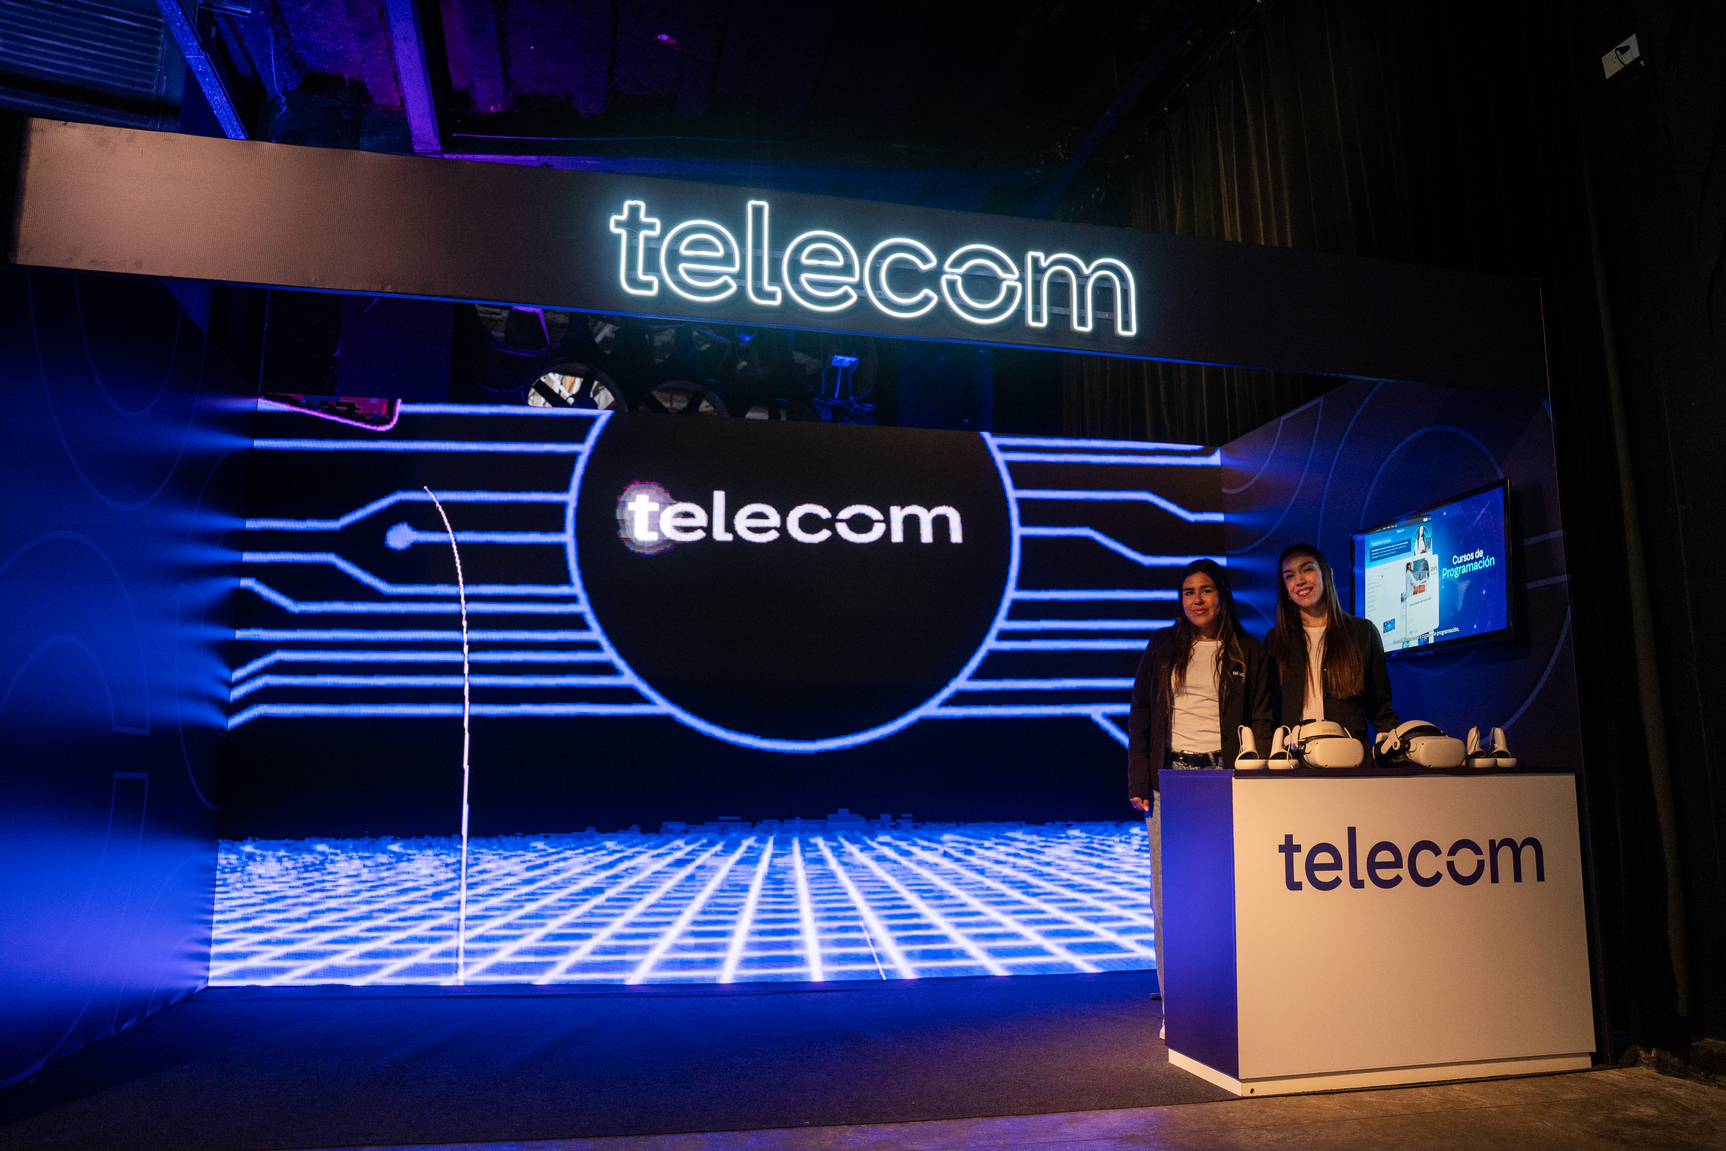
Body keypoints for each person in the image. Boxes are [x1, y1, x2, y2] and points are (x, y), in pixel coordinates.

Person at [1126, 559, 1274, 1040]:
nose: (1197, 600)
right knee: (1169, 899)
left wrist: (1256, 772)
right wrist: (1138, 779)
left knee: (1228, 894)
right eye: (1188, 592)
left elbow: (1263, 718)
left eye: (1206, 590)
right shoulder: (1162, 647)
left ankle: (1231, 999)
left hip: (1227, 778)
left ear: (1222, 595)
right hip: (1170, 782)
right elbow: (1141, 715)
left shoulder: (1250, 651)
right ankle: (1178, 1006)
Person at [1264, 544, 1399, 760]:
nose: (1299, 580)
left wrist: (1403, 744)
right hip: (1294, 762)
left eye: (1307, 569)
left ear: (1326, 573)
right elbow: (1266, 711)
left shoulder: (1363, 632)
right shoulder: (1275, 640)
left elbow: (1380, 709)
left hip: (1350, 757)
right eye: (1289, 576)